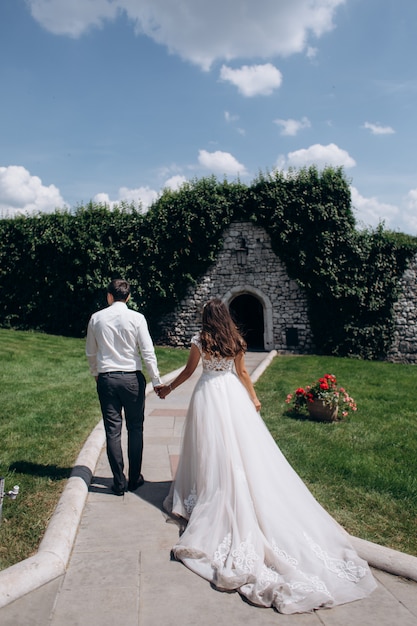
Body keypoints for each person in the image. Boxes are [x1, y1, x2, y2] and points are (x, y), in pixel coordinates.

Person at [157, 298, 377, 614]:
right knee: (239, 449)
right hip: (231, 395)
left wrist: (167, 388)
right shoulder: (236, 341)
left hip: (208, 396)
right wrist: (254, 399)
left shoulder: (199, 341)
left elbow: (190, 373)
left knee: (210, 449)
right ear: (226, 317)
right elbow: (243, 373)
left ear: (206, 318)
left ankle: (209, 491)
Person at [86, 278, 162, 495]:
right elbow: (147, 352)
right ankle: (134, 478)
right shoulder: (137, 318)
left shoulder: (96, 318)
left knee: (113, 430)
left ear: (109, 296)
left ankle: (118, 482)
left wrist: (96, 374)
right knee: (135, 428)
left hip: (107, 378)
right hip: (132, 379)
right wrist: (156, 380)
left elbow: (91, 352)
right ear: (128, 297)